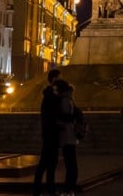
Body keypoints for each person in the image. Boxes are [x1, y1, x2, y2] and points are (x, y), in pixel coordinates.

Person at [33, 68, 62, 196]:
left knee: (51, 163)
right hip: (50, 133)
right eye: (59, 77)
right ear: (54, 79)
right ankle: (39, 190)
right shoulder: (51, 96)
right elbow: (52, 115)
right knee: (45, 163)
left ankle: (49, 189)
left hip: (50, 132)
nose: (61, 79)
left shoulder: (50, 95)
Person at [55, 79, 79, 196]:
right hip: (70, 134)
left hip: (67, 135)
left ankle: (68, 189)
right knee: (71, 162)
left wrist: (58, 120)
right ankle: (71, 187)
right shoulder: (69, 99)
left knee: (70, 162)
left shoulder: (64, 100)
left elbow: (66, 116)